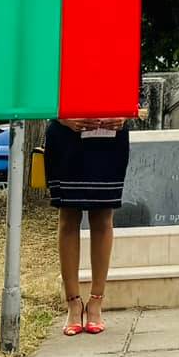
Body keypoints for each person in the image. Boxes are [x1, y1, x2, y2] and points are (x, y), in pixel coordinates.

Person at [45, 112, 132, 336]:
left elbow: (135, 95)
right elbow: (44, 92)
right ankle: (73, 303)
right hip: (65, 136)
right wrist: (62, 118)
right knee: (68, 218)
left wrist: (125, 115)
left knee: (103, 216)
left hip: (110, 138)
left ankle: (96, 303)